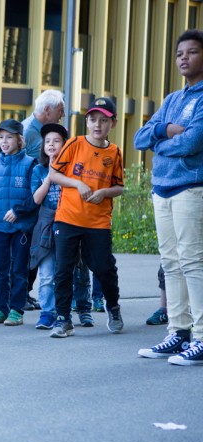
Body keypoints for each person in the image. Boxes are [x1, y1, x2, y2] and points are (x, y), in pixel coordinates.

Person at [134, 29, 203, 364]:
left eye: (191, 52)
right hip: (162, 189)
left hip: (192, 189)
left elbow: (193, 142)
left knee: (193, 263)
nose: (183, 59)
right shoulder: (172, 99)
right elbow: (139, 137)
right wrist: (163, 131)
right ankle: (179, 333)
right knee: (171, 264)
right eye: (179, 54)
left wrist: (161, 145)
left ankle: (202, 337)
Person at [48, 97, 124, 338]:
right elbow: (54, 174)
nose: (97, 125)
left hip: (98, 222)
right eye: (92, 120)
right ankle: (63, 319)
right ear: (87, 122)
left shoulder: (114, 152)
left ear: (113, 123)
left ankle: (113, 307)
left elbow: (119, 187)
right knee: (63, 269)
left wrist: (104, 192)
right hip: (68, 217)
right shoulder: (74, 144)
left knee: (104, 268)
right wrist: (77, 183)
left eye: (103, 120)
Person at [0, 119, 38, 326]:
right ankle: (0, 309)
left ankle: (16, 309)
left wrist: (18, 211)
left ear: (20, 140)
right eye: (1, 137)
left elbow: (35, 197)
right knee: (1, 270)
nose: (4, 141)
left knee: (19, 269)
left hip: (22, 227)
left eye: (9, 137)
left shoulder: (31, 164)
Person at [17, 123, 68, 330]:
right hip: (46, 224)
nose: (51, 145)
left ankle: (64, 312)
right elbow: (36, 198)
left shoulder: (72, 167)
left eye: (56, 141)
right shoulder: (38, 169)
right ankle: (47, 313)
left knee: (65, 273)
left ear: (64, 144)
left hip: (68, 222)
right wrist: (51, 176)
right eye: (48, 141)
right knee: (46, 274)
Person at [21, 90, 65, 311]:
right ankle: (21, 294)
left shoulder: (37, 129)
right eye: (60, 110)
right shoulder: (29, 132)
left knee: (37, 250)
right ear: (47, 110)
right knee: (32, 249)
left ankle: (26, 294)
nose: (63, 114)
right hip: (32, 200)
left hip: (43, 200)